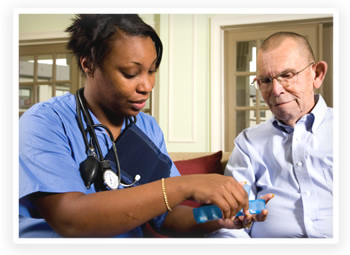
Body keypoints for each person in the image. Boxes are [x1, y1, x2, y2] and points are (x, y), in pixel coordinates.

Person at [19, 14, 272, 238]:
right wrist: (185, 184)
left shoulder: (147, 128)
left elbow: (166, 217)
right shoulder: (44, 123)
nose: (147, 86)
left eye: (152, 71)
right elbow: (70, 220)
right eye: (130, 73)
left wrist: (216, 219)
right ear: (89, 64)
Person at [209, 31, 332, 238]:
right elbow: (231, 223)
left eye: (287, 75)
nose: (275, 90)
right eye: (265, 80)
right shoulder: (248, 143)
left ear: (317, 74)